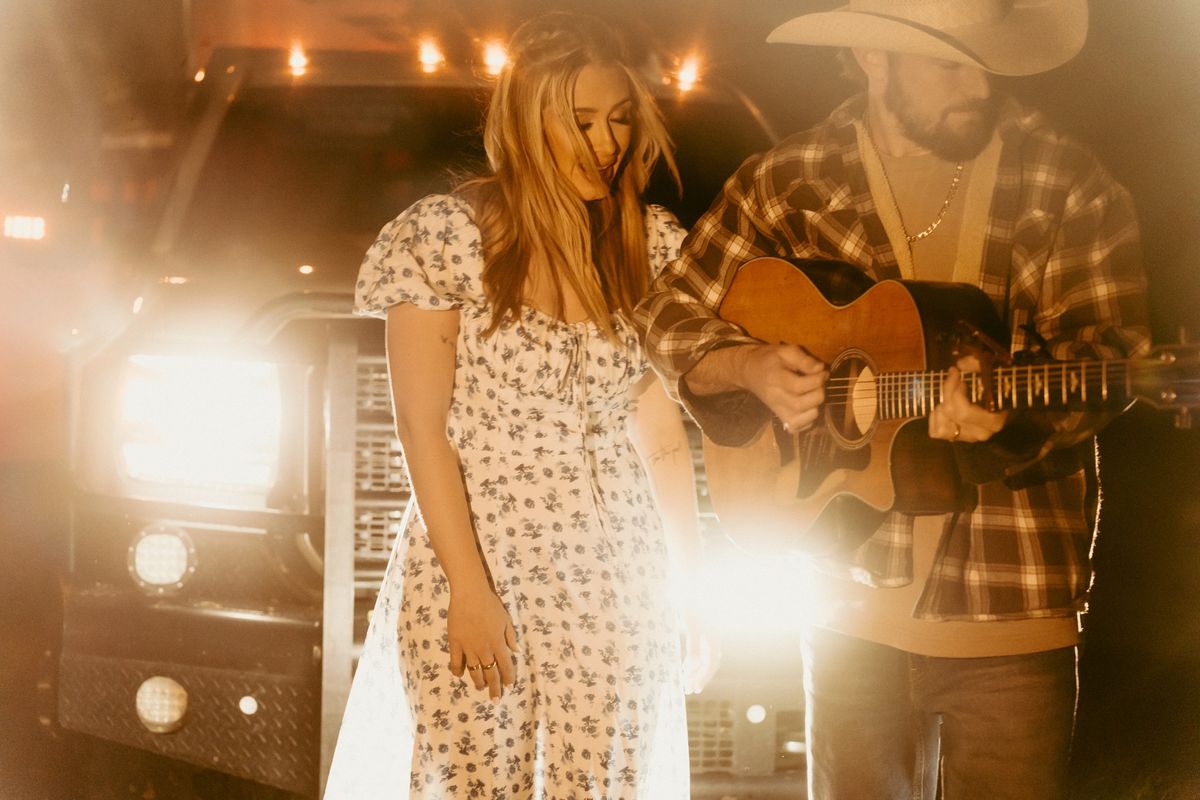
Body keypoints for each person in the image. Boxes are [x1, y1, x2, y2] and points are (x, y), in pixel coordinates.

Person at [635, 1, 1150, 799]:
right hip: (843, 610)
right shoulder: (787, 180)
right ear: (873, 59)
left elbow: (1107, 353)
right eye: (948, 61)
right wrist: (746, 367)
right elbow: (666, 315)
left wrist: (1013, 419)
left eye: (985, 59)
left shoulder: (1067, 182)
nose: (977, 82)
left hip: (1011, 610)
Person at [324, 12, 714, 800]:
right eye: (580, 122)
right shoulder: (450, 239)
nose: (606, 143)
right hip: (482, 556)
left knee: (602, 784)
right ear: (528, 123)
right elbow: (422, 429)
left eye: (618, 120)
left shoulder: (647, 246)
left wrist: (691, 591)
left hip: (617, 569)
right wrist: (469, 589)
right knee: (466, 779)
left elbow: (662, 433)